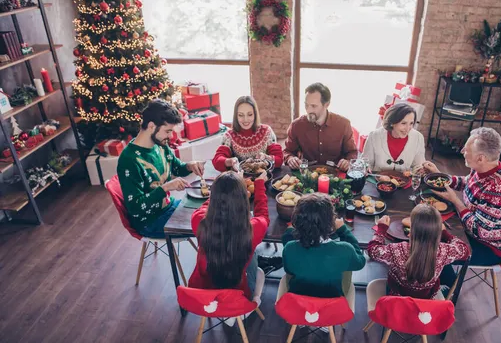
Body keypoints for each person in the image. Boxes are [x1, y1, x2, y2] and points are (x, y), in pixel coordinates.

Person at [422, 127, 501, 266]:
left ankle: (445, 285)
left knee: (429, 251)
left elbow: (479, 231)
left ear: (480, 158)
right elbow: (467, 183)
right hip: (467, 228)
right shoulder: (484, 168)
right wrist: (440, 175)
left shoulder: (499, 188)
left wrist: (455, 200)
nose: (462, 152)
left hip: (486, 247)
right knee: (427, 234)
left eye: (466, 150)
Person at [117, 99, 204, 238]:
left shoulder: (159, 145)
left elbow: (177, 168)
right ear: (151, 126)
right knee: (209, 227)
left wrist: (190, 165)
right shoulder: (128, 160)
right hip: (149, 221)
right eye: (168, 131)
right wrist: (165, 188)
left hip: (168, 207)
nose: (171, 136)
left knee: (210, 213)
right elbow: (135, 208)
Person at [189, 170, 269, 304]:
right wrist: (259, 185)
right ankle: (229, 310)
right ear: (243, 199)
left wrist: (221, 191)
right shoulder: (253, 229)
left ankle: (221, 307)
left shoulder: (198, 221)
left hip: (204, 294)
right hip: (239, 295)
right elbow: (263, 215)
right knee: (252, 252)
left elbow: (204, 208)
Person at [278, 193, 365, 304]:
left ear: (296, 221)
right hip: (332, 303)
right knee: (346, 268)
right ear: (331, 223)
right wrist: (343, 230)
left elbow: (288, 270)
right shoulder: (345, 250)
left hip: (299, 302)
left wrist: (290, 230)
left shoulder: (289, 248)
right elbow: (360, 262)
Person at [367, 206, 470, 299]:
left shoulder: (396, 250)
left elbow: (372, 251)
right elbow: (465, 250)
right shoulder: (444, 251)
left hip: (396, 298)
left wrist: (381, 229)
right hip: (426, 300)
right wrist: (444, 233)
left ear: (411, 231)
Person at [283, 83, 357, 172]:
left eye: (314, 106)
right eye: (306, 105)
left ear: (326, 104)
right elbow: (287, 152)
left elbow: (352, 152)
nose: (308, 110)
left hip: (336, 175)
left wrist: (348, 162)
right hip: (306, 175)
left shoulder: (343, 124)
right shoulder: (297, 125)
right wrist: (290, 159)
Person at [212, 96, 283, 172]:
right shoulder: (229, 136)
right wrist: (230, 161)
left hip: (265, 179)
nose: (245, 120)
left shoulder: (267, 131)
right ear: (236, 116)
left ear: (255, 114)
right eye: (241, 115)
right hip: (240, 181)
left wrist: (266, 157)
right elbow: (217, 161)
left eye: (250, 114)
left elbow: (279, 159)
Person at [362, 103, 426, 172]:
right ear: (392, 122)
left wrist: (420, 170)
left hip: (404, 181)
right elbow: (365, 163)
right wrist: (366, 169)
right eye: (403, 123)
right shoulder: (374, 136)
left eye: (411, 123)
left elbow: (418, 165)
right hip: (377, 180)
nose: (408, 129)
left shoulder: (418, 137)